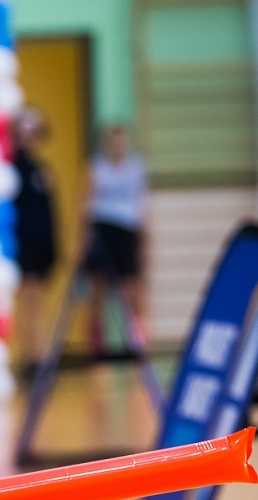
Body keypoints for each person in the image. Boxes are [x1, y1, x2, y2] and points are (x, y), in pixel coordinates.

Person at [82, 123, 148, 353]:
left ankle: (137, 341)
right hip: (103, 228)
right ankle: (96, 344)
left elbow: (142, 207)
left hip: (126, 230)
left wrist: (144, 242)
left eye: (121, 141)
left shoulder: (136, 169)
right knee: (98, 289)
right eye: (113, 141)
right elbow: (86, 205)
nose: (117, 146)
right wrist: (83, 241)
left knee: (131, 289)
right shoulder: (97, 168)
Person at [11, 107, 57, 368]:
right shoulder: (13, 169)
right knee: (27, 298)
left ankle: (39, 352)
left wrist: (52, 247)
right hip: (22, 243)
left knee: (37, 299)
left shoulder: (41, 170)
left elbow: (48, 214)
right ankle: (30, 354)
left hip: (39, 245)